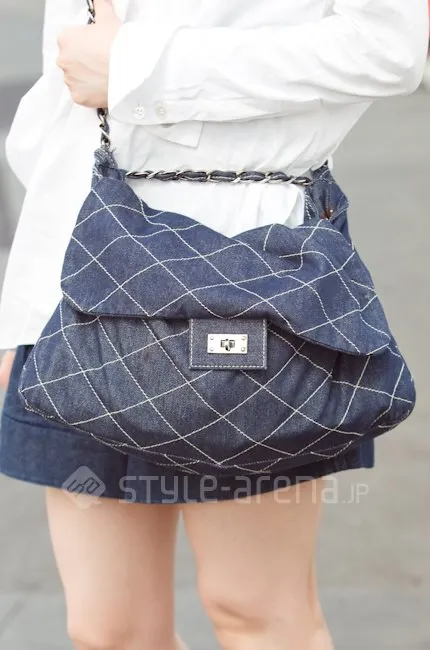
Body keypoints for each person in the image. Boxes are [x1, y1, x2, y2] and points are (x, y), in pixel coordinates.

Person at [0, 1, 428, 649]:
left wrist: (142, 67)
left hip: (247, 267)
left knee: (254, 611)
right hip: (81, 275)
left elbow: (390, 47)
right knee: (107, 629)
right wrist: (27, 310)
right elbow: (64, 97)